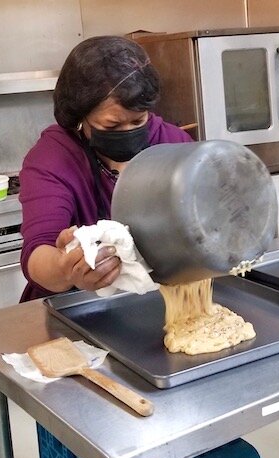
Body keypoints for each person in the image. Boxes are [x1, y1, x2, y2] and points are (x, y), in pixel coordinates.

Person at [19, 36, 193, 302]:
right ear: (80, 118)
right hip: (73, 307)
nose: (128, 131)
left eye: (138, 120)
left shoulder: (172, 144)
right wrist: (66, 269)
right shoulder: (53, 158)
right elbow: (37, 253)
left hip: (154, 299)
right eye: (112, 127)